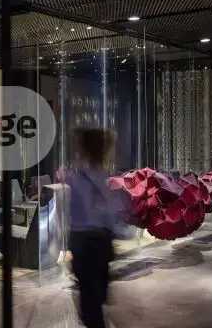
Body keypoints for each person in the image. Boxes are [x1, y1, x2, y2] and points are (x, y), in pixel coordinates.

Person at [63, 128, 117, 328]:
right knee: (94, 300)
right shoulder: (101, 178)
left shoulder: (79, 178)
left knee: (91, 302)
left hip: (87, 242)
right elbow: (111, 213)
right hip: (99, 242)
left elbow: (75, 215)